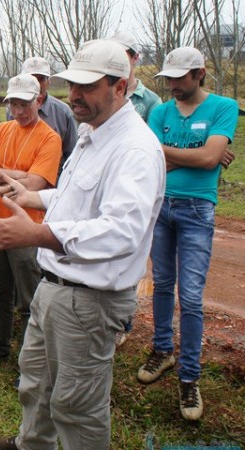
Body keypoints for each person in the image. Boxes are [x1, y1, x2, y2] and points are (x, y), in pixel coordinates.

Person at [0, 40, 165, 450]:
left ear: (120, 88)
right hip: (56, 285)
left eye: (87, 86)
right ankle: (32, 445)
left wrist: (37, 234)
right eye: (71, 85)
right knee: (36, 382)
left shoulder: (134, 148)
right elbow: (75, 196)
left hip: (91, 300)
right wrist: (33, 199)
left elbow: (121, 231)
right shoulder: (91, 132)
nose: (73, 95)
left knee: (76, 406)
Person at [137, 46, 239, 422]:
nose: (174, 85)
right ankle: (163, 349)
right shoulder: (160, 111)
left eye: (181, 78)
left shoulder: (223, 107)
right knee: (162, 283)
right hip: (161, 205)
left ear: (200, 74)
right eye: (170, 79)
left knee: (192, 296)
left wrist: (177, 155)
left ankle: (189, 376)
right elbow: (150, 162)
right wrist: (197, 155)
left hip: (198, 210)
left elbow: (209, 160)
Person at [0, 74, 61, 366]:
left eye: (24, 104)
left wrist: (3, 173)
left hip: (26, 228)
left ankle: (31, 360)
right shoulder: (2, 129)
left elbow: (33, 185)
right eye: (13, 104)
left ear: (40, 100)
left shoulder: (50, 138)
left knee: (29, 298)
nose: (18, 111)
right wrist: (17, 174)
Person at [108, 31, 163, 347]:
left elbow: (156, 150)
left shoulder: (150, 102)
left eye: (125, 52)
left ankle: (123, 322)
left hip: (135, 187)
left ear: (135, 58)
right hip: (106, 187)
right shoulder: (102, 95)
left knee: (132, 253)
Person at [18, 56, 77, 170]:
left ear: (48, 82)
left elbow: (72, 155)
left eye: (41, 79)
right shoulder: (13, 111)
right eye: (31, 78)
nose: (36, 83)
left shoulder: (63, 112)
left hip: (54, 181)